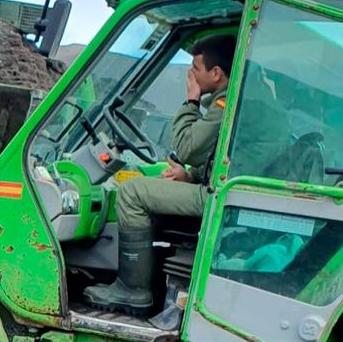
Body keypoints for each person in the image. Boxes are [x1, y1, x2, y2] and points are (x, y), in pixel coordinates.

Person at [84, 34, 238, 314]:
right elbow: (226, 154)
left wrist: (191, 101)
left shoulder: (225, 105)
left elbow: (187, 147)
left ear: (216, 74)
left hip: (223, 199)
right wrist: (190, 176)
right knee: (154, 183)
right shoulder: (237, 100)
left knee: (132, 192)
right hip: (227, 191)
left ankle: (133, 290)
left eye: (195, 68)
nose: (190, 75)